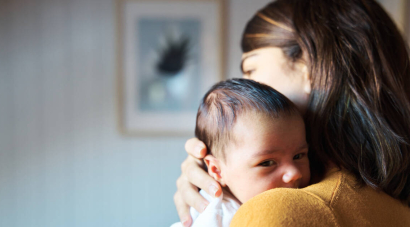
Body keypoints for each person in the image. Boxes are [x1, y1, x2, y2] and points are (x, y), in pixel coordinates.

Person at [173, 0, 410, 226]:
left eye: (250, 69)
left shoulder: (279, 210)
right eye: (267, 162)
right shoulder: (390, 199)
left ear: (311, 69)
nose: (247, 85)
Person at [171, 78, 310, 227]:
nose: (294, 173)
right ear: (217, 170)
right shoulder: (218, 215)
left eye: (298, 156)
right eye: (267, 163)